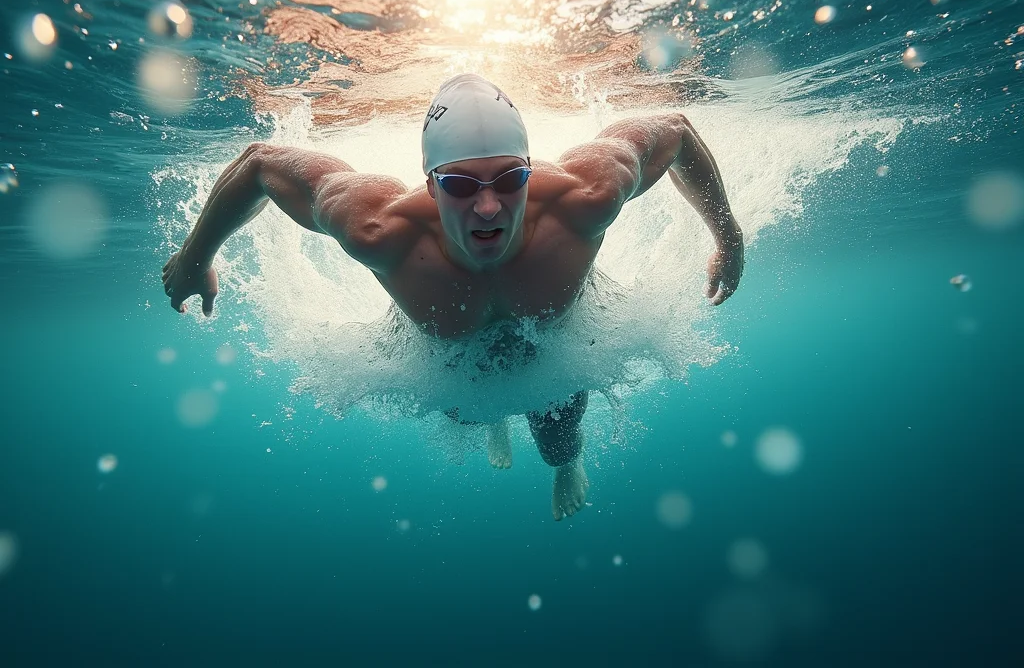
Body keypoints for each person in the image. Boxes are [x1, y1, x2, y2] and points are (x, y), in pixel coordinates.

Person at [162, 74, 744, 521]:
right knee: (465, 404)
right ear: (431, 184)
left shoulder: (584, 199)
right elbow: (261, 163)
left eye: (509, 180)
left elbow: (675, 129)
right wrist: (195, 257)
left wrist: (729, 236)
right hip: (452, 358)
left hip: (554, 344)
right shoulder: (379, 230)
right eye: (462, 185)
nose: (488, 207)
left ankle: (566, 464)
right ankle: (492, 421)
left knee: (559, 429)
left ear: (528, 169)